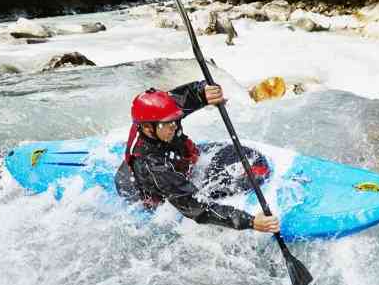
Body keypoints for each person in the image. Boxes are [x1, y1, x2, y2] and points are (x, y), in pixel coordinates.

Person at [114, 81, 280, 233]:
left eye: (176, 120)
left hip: (170, 155)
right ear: (148, 129)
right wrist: (250, 222)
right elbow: (196, 207)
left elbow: (182, 97)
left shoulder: (160, 117)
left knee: (191, 152)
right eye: (168, 123)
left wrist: (202, 93)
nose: (174, 126)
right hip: (147, 189)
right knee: (200, 194)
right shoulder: (152, 166)